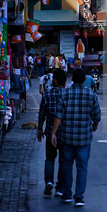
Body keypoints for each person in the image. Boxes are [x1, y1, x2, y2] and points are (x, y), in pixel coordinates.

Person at [51, 68, 101, 207]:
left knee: (66, 165)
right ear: (85, 79)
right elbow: (96, 115)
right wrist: (95, 125)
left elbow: (58, 115)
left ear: (71, 79)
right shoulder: (91, 94)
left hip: (67, 137)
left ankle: (67, 194)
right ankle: (79, 197)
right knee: (82, 167)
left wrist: (53, 133)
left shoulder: (65, 93)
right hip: (84, 138)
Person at [37, 69, 67, 197]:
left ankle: (49, 181)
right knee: (63, 161)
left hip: (50, 133)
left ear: (55, 80)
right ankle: (60, 188)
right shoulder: (67, 95)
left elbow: (42, 114)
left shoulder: (47, 95)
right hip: (65, 133)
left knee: (50, 158)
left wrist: (40, 129)